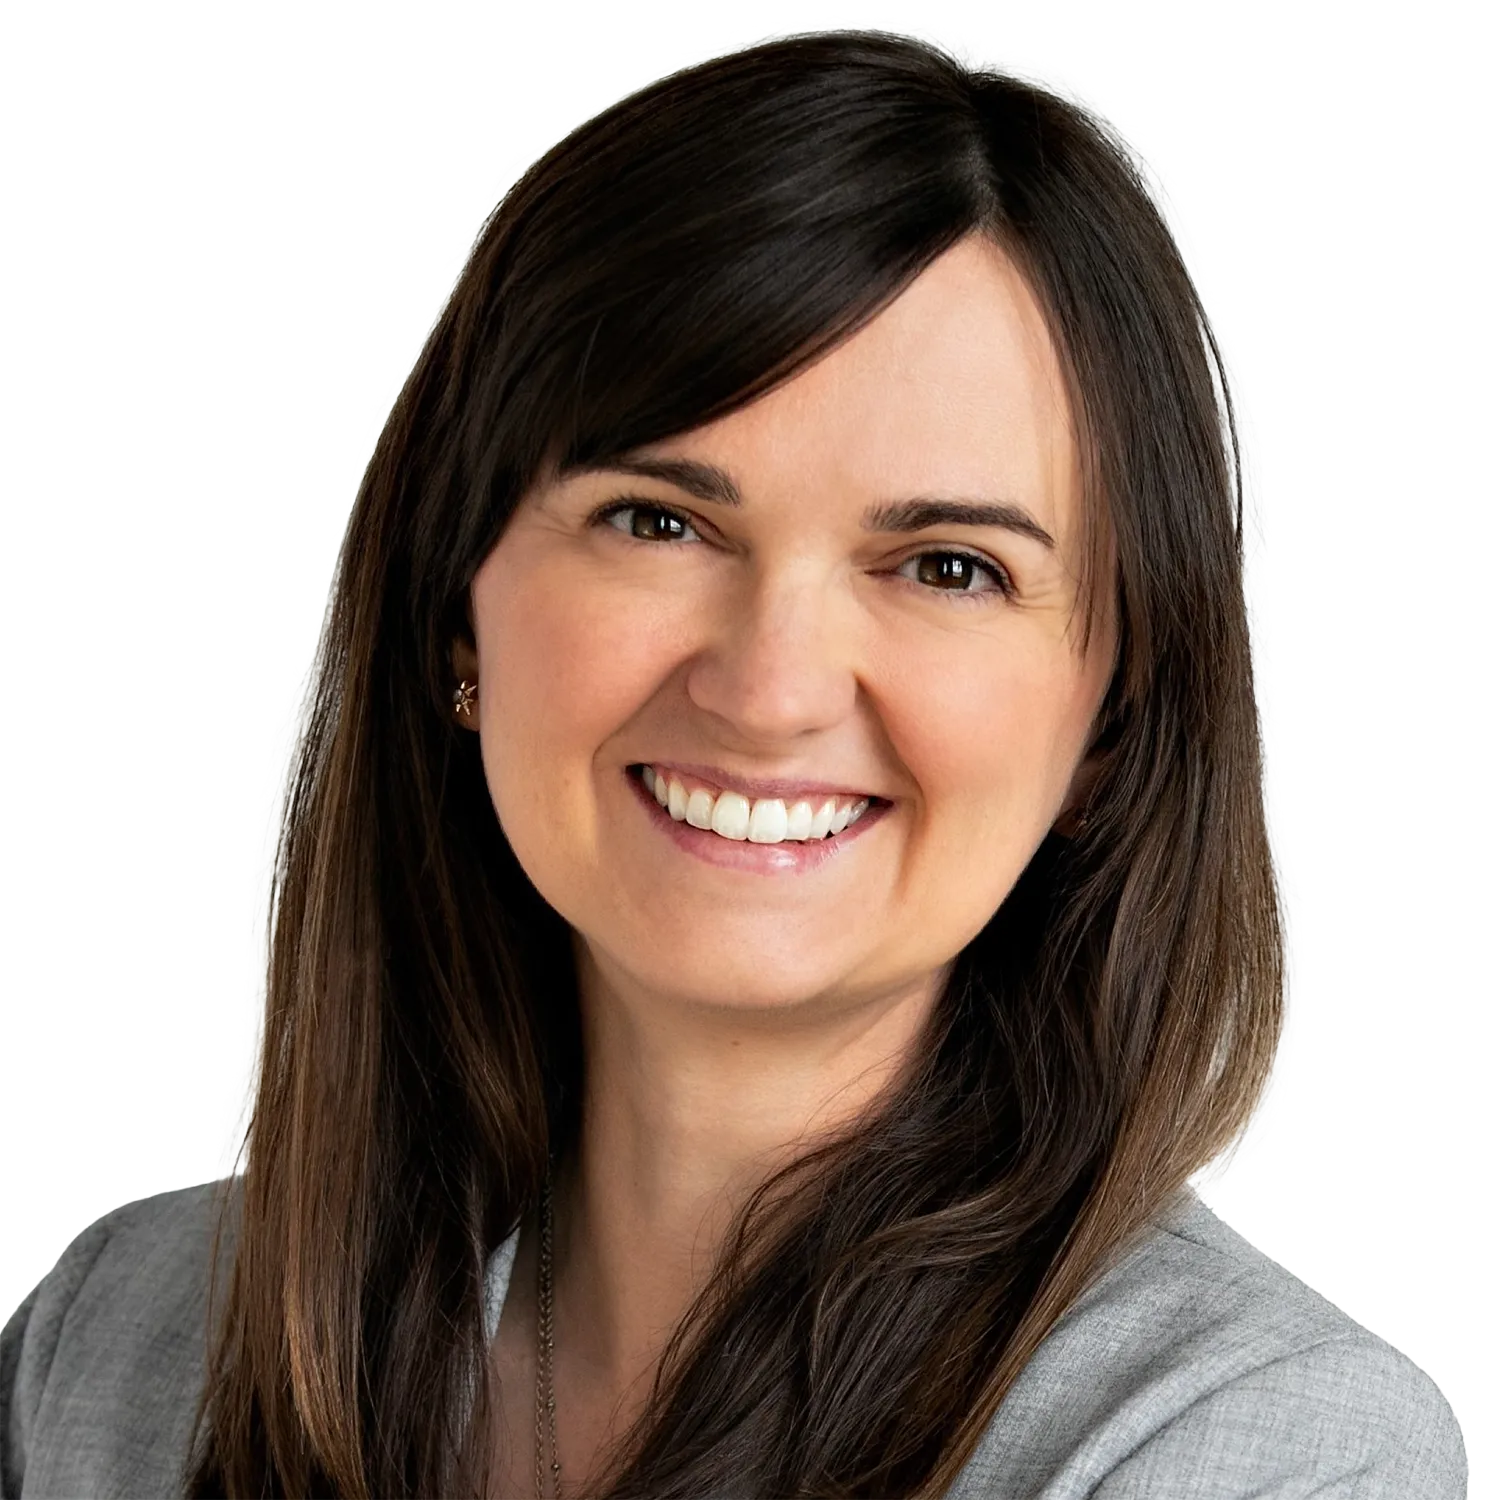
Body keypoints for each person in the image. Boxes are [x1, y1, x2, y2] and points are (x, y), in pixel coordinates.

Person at [0, 25, 1468, 1500]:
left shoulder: (1253, 1455)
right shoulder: (118, 1341)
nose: (768, 690)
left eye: (947, 566)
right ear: (459, 604)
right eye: (661, 521)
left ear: (1112, 724)